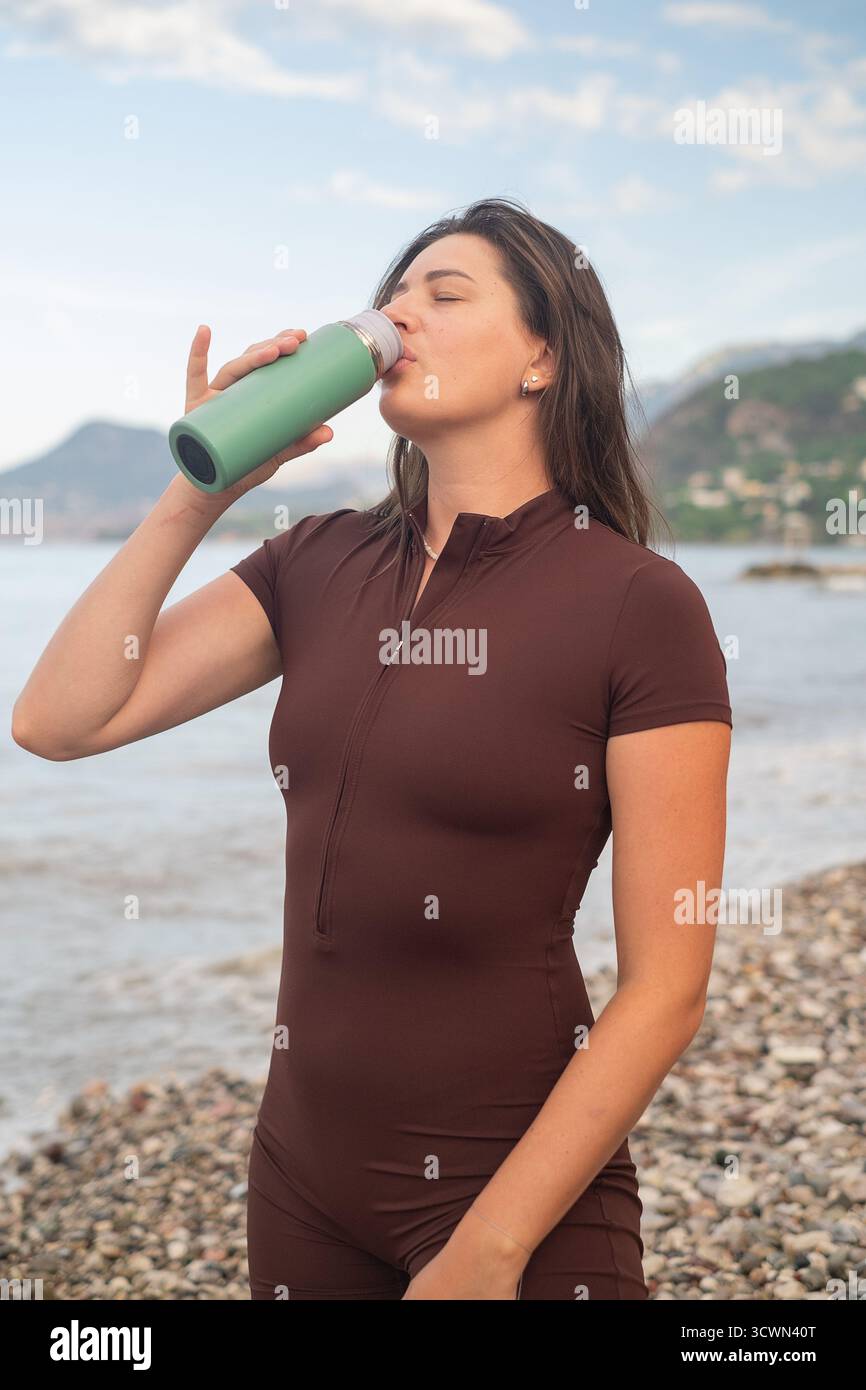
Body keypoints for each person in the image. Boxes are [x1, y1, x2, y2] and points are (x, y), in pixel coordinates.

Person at [12, 196, 732, 1301]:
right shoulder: (315, 561)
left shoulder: (637, 603)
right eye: (391, 301)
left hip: (513, 1189)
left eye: (444, 296)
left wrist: (489, 1251)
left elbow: (667, 986)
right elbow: (61, 721)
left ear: (543, 355)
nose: (400, 321)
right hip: (299, 1182)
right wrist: (201, 490)